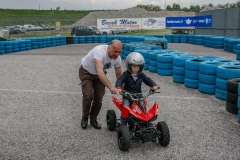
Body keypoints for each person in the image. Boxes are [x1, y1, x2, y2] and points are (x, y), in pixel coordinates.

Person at [79, 39, 123, 129]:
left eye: (119, 52)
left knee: (99, 97)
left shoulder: (117, 58)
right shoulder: (99, 51)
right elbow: (100, 72)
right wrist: (111, 87)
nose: (117, 54)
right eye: (115, 51)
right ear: (109, 48)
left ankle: (93, 119)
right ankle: (85, 117)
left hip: (99, 75)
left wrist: (122, 88)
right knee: (88, 96)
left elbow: (119, 75)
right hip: (87, 72)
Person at [115, 52, 159, 125]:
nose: (136, 69)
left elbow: (147, 80)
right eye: (134, 66)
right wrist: (119, 88)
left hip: (139, 95)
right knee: (125, 107)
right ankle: (123, 122)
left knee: (144, 106)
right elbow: (120, 80)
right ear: (129, 66)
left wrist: (154, 85)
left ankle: (144, 121)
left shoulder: (141, 75)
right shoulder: (126, 74)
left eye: (138, 67)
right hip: (128, 96)